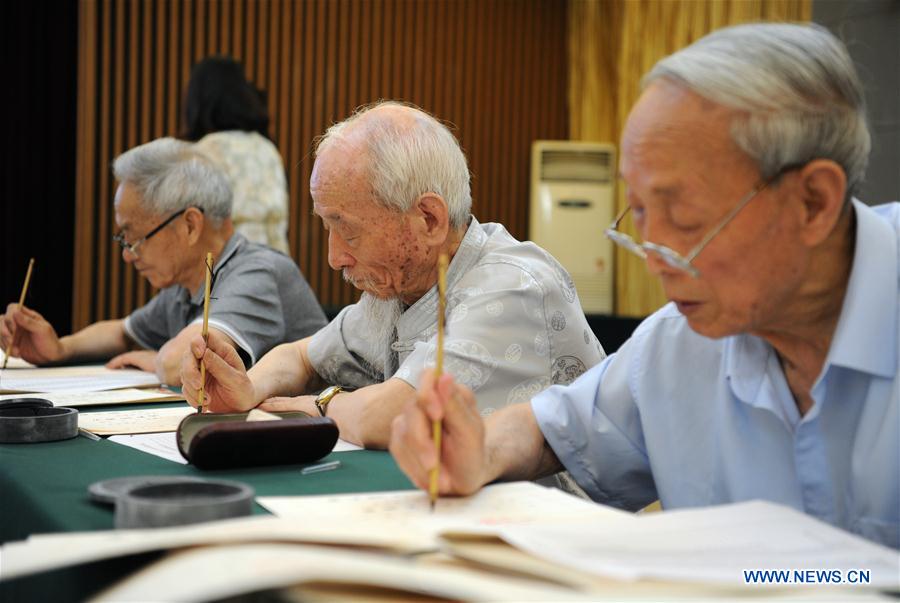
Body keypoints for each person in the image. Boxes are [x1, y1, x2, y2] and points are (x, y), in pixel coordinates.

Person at [389, 23, 900, 549]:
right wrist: (477, 449)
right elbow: (552, 428)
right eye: (637, 213)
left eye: (681, 215)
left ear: (812, 202)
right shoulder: (680, 343)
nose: (654, 258)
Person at [182, 101, 605, 449]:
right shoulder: (402, 287)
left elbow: (386, 417)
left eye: (346, 228)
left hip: (562, 535)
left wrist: (319, 405)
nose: (334, 257)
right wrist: (246, 387)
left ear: (428, 218)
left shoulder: (514, 288)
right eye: (326, 226)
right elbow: (301, 355)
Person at [0, 138, 327, 385]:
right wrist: (60, 348)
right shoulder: (187, 283)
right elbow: (123, 332)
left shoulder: (255, 272)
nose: (128, 255)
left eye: (134, 238)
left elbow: (182, 360)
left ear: (190, 225)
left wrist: (155, 358)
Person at [182, 56, 290, 254]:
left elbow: (193, 227)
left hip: (231, 268)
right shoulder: (266, 148)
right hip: (277, 265)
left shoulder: (206, 151)